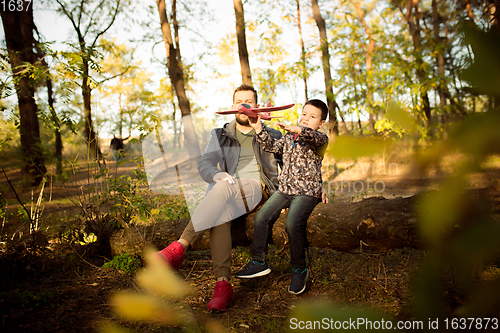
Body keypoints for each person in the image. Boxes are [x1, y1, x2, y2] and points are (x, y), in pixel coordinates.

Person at [154, 84, 283, 311]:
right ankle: (222, 286)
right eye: (239, 102)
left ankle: (180, 246)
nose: (243, 106)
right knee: (220, 207)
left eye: (248, 102)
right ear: (233, 106)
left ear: (256, 106)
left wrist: (309, 190)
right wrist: (216, 174)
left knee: (221, 189)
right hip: (229, 194)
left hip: (259, 190)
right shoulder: (220, 134)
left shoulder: (271, 134)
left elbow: (293, 165)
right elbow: (204, 164)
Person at [235, 99, 329, 295]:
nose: (306, 119)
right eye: (304, 114)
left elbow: (312, 137)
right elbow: (270, 146)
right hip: (285, 189)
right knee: (262, 216)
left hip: (306, 192)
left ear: (321, 124)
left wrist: (297, 128)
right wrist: (258, 127)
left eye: (313, 117)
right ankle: (258, 261)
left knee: (292, 223)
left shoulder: (320, 139)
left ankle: (299, 269)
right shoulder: (289, 138)